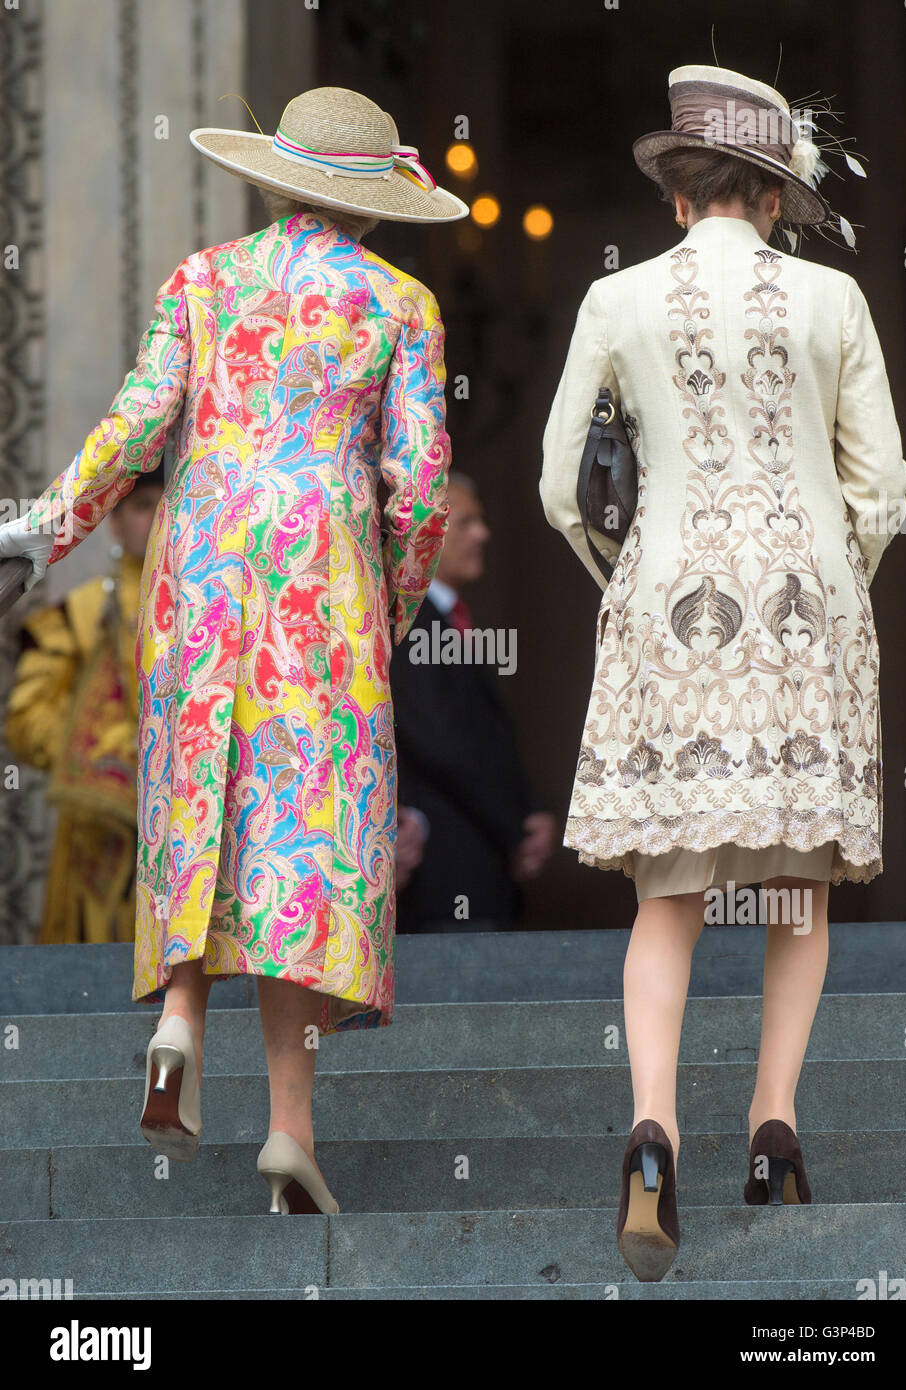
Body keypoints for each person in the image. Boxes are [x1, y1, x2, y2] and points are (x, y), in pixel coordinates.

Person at [0, 85, 467, 1213]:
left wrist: (37, 530)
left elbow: (135, 426)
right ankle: (291, 1128)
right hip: (324, 575)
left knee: (199, 784)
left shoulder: (202, 280)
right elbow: (419, 483)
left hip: (202, 556)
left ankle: (175, 1022)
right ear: (375, 201)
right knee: (303, 840)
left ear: (273, 178)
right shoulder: (400, 300)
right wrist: (394, 599)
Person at [540, 63, 906, 1281]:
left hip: (669, 609)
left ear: (679, 195)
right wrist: (830, 582)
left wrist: (627, 576)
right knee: (796, 887)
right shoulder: (836, 299)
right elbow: (883, 490)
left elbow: (558, 490)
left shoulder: (616, 299)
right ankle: (774, 1127)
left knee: (669, 891)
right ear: (772, 191)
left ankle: (653, 1135)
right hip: (807, 610)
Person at [4, 466, 165, 943]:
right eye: (140, 506)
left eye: (164, 504)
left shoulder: (218, 610)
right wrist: (105, 754)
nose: (154, 517)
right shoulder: (76, 614)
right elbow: (26, 721)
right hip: (98, 836)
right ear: (114, 523)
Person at [390, 471, 556, 931]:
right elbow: (445, 742)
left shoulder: (447, 619)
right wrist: (517, 824)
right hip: (446, 871)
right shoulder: (412, 619)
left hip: (476, 864)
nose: (482, 534)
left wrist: (528, 808)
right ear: (423, 534)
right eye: (465, 523)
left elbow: (484, 734)